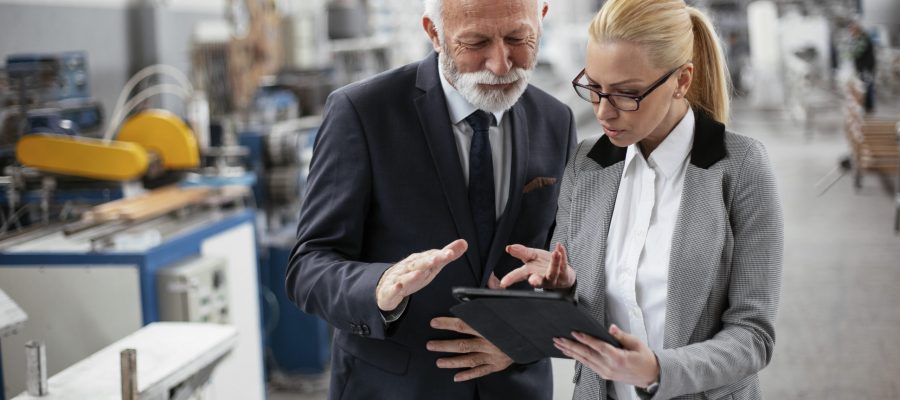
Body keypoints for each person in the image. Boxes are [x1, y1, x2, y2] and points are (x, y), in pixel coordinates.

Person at [285, 0, 577, 398]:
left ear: (541, 20)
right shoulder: (363, 112)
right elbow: (309, 265)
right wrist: (379, 287)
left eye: (518, 38)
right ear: (433, 33)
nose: (500, 63)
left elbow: (566, 265)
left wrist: (526, 337)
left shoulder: (556, 119)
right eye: (475, 42)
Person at [500, 0, 784, 399]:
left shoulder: (740, 168)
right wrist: (562, 288)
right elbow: (582, 319)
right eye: (594, 88)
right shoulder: (587, 164)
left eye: (626, 94)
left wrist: (657, 369)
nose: (603, 111)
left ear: (682, 80)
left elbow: (753, 336)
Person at [848, 21, 876, 113]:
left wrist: (849, 53)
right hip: (864, 66)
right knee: (864, 85)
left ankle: (868, 106)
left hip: (866, 67)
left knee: (865, 86)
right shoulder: (860, 38)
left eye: (852, 30)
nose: (851, 33)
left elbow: (857, 52)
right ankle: (866, 106)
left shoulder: (862, 38)